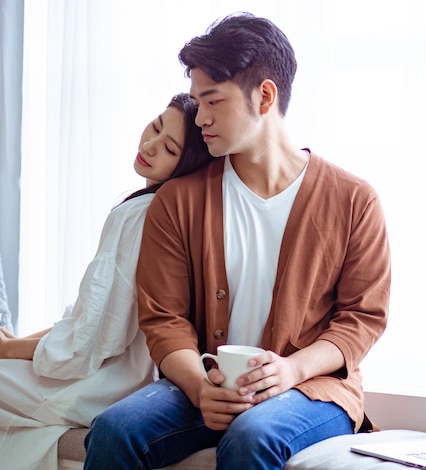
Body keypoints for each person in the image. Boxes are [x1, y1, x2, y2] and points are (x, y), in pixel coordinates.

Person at [84, 12, 391, 470]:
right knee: (113, 431)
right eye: (196, 101)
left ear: (265, 96)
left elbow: (361, 319)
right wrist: (198, 387)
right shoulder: (178, 201)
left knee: (252, 436)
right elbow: (163, 318)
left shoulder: (354, 199)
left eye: (213, 101)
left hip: (311, 390)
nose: (199, 117)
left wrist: (292, 370)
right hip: (209, 384)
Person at [0, 93, 211, 470]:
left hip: (97, 390)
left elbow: (88, 340)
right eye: (156, 126)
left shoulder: (138, 216)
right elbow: (86, 321)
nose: (149, 144)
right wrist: (13, 344)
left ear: (187, 164)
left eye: (169, 147)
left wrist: (8, 350)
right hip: (127, 381)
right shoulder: (169, 212)